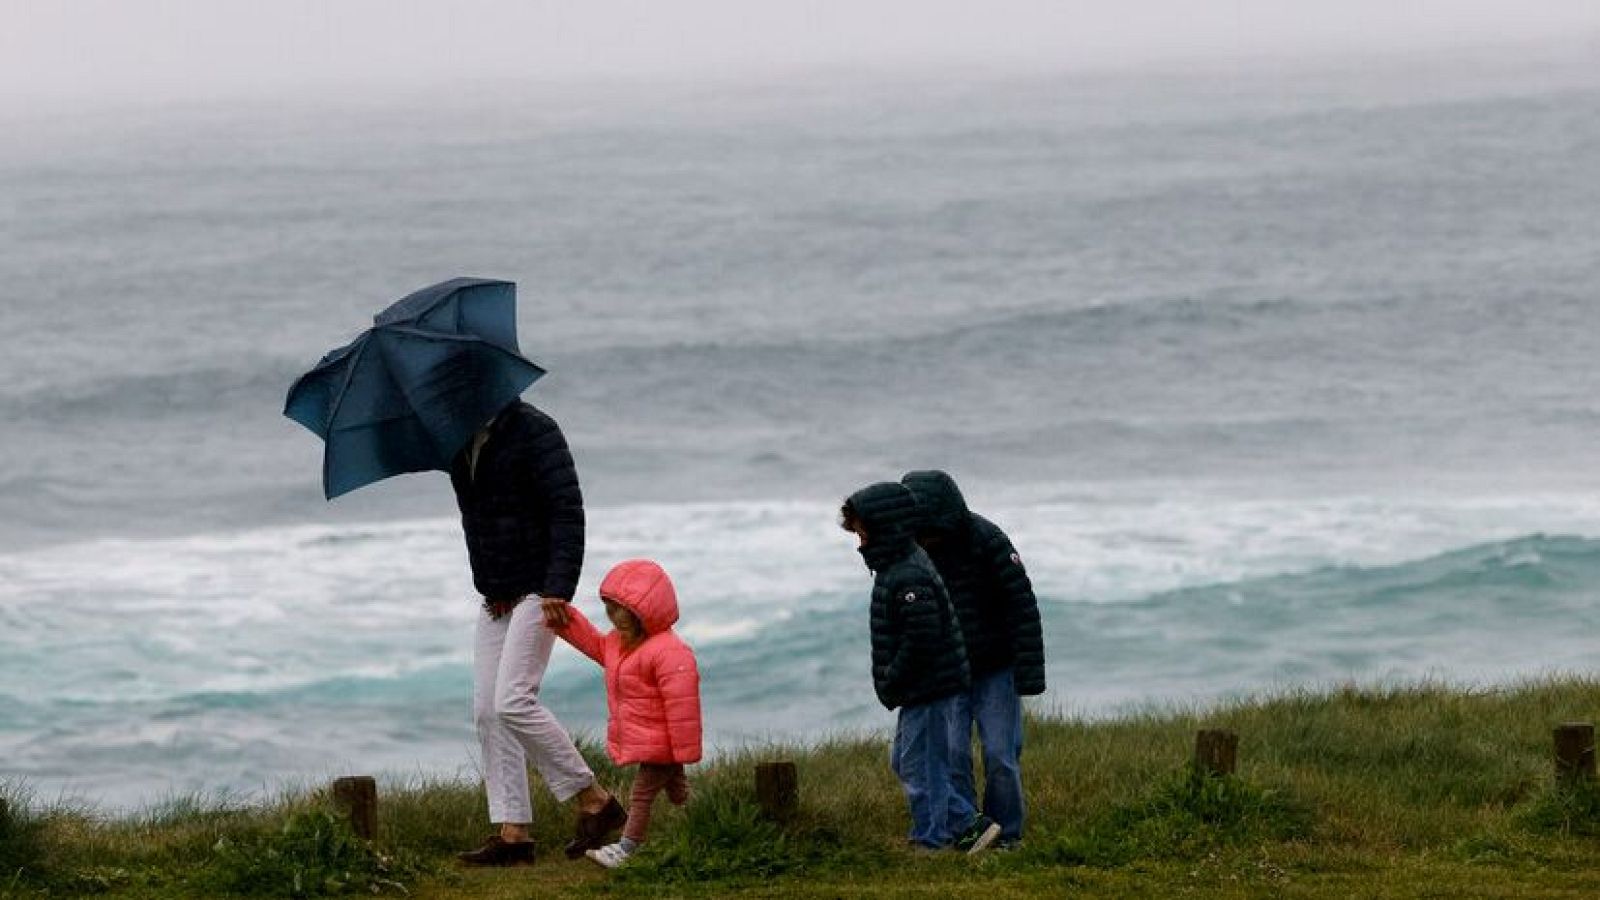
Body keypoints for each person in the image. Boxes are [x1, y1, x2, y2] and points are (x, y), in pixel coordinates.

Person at [451, 400, 625, 866]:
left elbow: (567, 512)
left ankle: (595, 800)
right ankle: (513, 834)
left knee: (513, 699)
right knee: (488, 711)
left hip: (537, 589)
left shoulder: (535, 430)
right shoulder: (458, 440)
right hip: (495, 595)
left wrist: (558, 588)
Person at [839, 482, 1001, 854]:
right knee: (908, 761)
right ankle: (968, 824)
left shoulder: (908, 574)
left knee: (920, 766)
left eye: (863, 534)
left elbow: (922, 637)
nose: (860, 544)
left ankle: (931, 840)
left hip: (929, 686)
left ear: (886, 528)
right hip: (925, 686)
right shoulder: (896, 566)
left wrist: (894, 676)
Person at [901, 470, 1045, 849]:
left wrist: (1029, 673)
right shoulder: (908, 551)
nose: (927, 539)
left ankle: (1008, 835)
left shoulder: (988, 538)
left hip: (997, 668)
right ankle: (970, 832)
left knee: (1001, 755)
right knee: (952, 755)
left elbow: (1022, 605)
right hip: (949, 674)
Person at [545, 558, 703, 869]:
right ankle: (709, 824)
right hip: (657, 744)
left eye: (619, 609)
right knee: (679, 793)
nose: (612, 616)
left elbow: (683, 706)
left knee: (640, 796)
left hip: (664, 747)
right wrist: (565, 620)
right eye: (608, 608)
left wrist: (683, 751)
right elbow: (593, 643)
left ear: (646, 609)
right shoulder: (619, 644)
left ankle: (626, 849)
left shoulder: (669, 651)